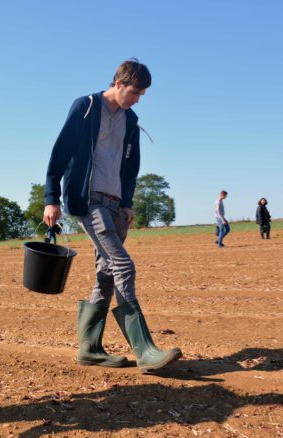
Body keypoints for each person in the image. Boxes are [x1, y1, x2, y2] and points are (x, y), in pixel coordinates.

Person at [43, 59, 182, 373]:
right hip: (88, 200)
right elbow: (59, 154)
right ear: (118, 83)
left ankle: (90, 348)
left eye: (142, 94)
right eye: (135, 91)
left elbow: (131, 167)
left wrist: (128, 202)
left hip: (116, 204)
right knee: (123, 265)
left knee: (106, 274)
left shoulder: (131, 120)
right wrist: (51, 198)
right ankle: (144, 350)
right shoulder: (87, 107)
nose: (137, 98)